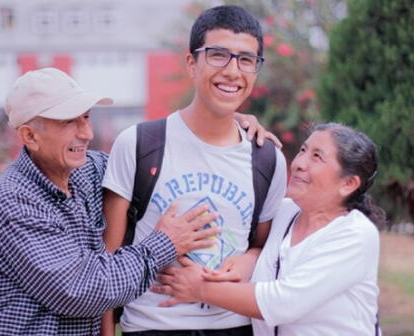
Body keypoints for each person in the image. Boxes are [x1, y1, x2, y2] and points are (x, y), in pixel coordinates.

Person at [0, 67, 223, 335]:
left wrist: (220, 125)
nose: (86, 133)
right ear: (30, 136)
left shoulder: (89, 171)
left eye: (86, 117)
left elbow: (155, 168)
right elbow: (80, 290)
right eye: (68, 122)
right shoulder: (11, 202)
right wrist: (164, 244)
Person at [102, 5, 288, 336]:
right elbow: (108, 261)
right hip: (152, 327)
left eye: (246, 60)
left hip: (234, 326)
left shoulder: (268, 160)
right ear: (192, 63)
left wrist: (248, 260)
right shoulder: (138, 144)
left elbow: (264, 247)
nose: (233, 71)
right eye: (218, 55)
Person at [153, 123, 386, 336]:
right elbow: (265, 252)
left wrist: (199, 288)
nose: (299, 164)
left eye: (317, 157)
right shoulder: (284, 212)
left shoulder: (355, 234)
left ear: (348, 184)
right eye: (303, 150)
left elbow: (284, 302)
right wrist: (249, 259)